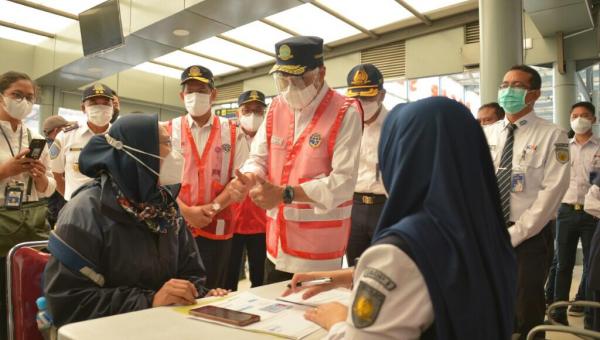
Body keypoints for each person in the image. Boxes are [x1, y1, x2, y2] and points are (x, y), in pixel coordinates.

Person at [284, 97, 517, 339]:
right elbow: (448, 280)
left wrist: (338, 321)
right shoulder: (486, 234)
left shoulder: (402, 251)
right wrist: (354, 275)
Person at [43, 113, 228, 327]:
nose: (176, 153)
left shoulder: (166, 208)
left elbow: (191, 272)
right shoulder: (85, 213)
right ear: (139, 150)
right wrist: (150, 301)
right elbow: (67, 302)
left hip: (163, 326)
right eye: (167, 143)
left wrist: (202, 295)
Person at [230, 36, 363, 284]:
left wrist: (286, 194)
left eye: (300, 78)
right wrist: (249, 177)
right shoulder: (277, 107)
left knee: (310, 319)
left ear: (321, 73)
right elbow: (258, 156)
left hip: (318, 253)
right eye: (284, 80)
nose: (291, 87)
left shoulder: (346, 112)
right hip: (277, 245)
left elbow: (343, 182)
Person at [484, 65, 570, 338]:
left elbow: (552, 191)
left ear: (534, 95)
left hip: (530, 238)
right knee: (491, 303)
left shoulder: (552, 135)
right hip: (489, 233)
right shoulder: (488, 133)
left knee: (525, 310)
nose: (508, 90)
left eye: (517, 86)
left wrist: (515, 234)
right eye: (504, 84)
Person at [166, 65, 248, 289]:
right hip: (176, 225)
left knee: (215, 289)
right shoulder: (167, 130)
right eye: (190, 91)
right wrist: (186, 212)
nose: (195, 96)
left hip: (218, 224)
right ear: (182, 96)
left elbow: (240, 178)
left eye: (202, 90)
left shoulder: (233, 131)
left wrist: (212, 208)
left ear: (213, 94)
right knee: (179, 290)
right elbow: (158, 180)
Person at [0, 71, 56, 340]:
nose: (24, 101)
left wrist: (41, 178)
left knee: (32, 292)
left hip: (33, 223)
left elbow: (52, 186)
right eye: (17, 95)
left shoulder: (35, 137)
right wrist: (6, 170)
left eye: (29, 97)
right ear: (1, 96)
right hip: (2, 223)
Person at [551, 101, 599, 324]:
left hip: (592, 215)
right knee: (563, 263)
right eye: (575, 115)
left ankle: (590, 314)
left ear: (594, 120)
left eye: (585, 115)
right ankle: (558, 314)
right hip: (566, 211)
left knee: (591, 265)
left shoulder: (599, 147)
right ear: (570, 119)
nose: (580, 119)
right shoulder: (561, 147)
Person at [345, 63, 388, 267]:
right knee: (354, 269)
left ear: (382, 95)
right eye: (356, 98)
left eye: (368, 97)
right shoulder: (346, 125)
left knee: (383, 269)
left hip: (385, 207)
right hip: (353, 207)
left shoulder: (394, 124)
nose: (361, 103)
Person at [225, 90, 268, 291]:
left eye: (258, 111)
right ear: (238, 112)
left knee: (261, 277)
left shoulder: (271, 138)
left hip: (263, 220)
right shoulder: (228, 137)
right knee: (229, 274)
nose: (253, 115)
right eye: (247, 110)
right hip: (232, 217)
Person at [50, 83, 114, 201]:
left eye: (106, 103)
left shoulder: (121, 136)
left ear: (113, 107)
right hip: (77, 212)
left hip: (113, 210)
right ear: (83, 108)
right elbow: (55, 174)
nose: (101, 107)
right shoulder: (66, 136)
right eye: (94, 103)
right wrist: (72, 200)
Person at [42, 115, 75, 227]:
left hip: (48, 203)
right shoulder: (56, 147)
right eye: (65, 128)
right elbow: (58, 176)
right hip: (58, 203)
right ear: (56, 130)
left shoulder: (42, 146)